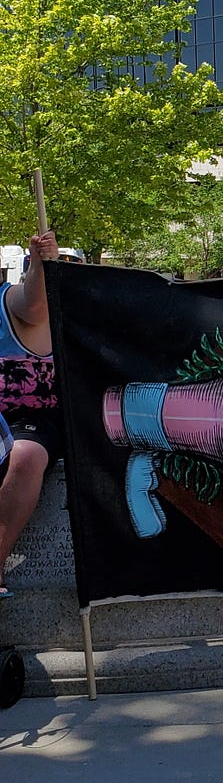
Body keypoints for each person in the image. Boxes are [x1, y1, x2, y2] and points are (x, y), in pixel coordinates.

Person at [0, 231, 63, 598]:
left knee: (24, 456)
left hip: (30, 421)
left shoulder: (12, 301)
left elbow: (35, 304)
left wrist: (40, 263)